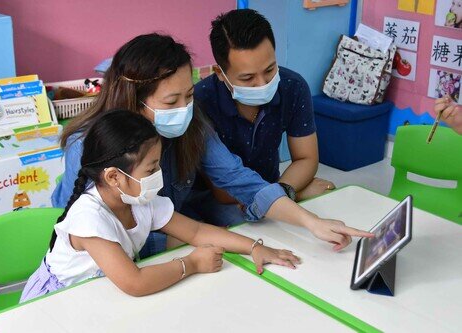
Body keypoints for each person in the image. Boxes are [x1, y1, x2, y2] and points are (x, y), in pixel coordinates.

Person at [52, 33, 372, 259]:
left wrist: (311, 222)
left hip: (174, 222)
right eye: (171, 100)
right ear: (133, 103)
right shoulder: (90, 145)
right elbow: (89, 238)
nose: (185, 107)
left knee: (243, 228)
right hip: (112, 247)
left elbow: (237, 178)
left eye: (189, 95)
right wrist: (181, 255)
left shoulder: (191, 124)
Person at [20, 110, 299, 303]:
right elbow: (135, 282)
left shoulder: (138, 201)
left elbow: (198, 232)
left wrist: (255, 247)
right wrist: (190, 264)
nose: (158, 175)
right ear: (114, 177)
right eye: (151, 167)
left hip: (103, 295)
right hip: (57, 304)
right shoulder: (89, 218)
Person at [195, 9, 335, 206]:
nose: (262, 83)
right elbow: (223, 193)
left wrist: (283, 191)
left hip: (272, 186)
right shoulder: (201, 101)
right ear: (220, 73)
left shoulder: (292, 87)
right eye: (248, 78)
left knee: (325, 196)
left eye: (269, 70)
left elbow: (306, 158)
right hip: (221, 200)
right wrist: (289, 196)